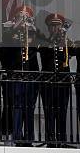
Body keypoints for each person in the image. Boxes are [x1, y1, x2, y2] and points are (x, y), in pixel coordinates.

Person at [0, 5, 41, 147]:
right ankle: (18, 137)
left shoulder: (34, 34)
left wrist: (34, 28)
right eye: (21, 16)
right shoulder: (10, 33)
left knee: (29, 108)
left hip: (31, 77)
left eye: (26, 16)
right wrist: (16, 27)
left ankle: (29, 139)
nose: (24, 19)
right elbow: (5, 45)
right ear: (15, 18)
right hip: (16, 77)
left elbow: (45, 43)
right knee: (17, 108)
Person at [38, 12, 74, 147]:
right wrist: (54, 39)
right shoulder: (44, 42)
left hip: (63, 83)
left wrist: (66, 41)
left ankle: (62, 140)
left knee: (62, 112)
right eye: (53, 26)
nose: (56, 29)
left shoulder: (66, 43)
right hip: (48, 83)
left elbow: (74, 52)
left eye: (58, 26)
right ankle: (50, 141)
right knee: (49, 112)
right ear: (48, 28)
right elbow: (44, 53)